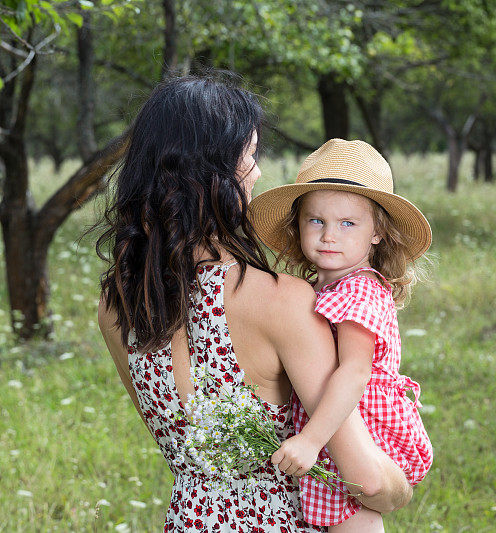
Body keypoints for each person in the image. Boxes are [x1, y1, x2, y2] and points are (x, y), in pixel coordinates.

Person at [96, 75, 411, 532]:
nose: (257, 172)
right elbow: (365, 479)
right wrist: (401, 483)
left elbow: (188, 453)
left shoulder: (118, 306)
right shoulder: (283, 302)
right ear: (216, 173)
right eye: (250, 155)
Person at [248, 139, 434, 532]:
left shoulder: (360, 291)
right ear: (297, 226)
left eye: (347, 223)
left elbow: (354, 372)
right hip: (336, 427)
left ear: (377, 233)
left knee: (355, 519)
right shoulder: (325, 287)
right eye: (316, 221)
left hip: (363, 430)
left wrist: (311, 440)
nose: (329, 235)